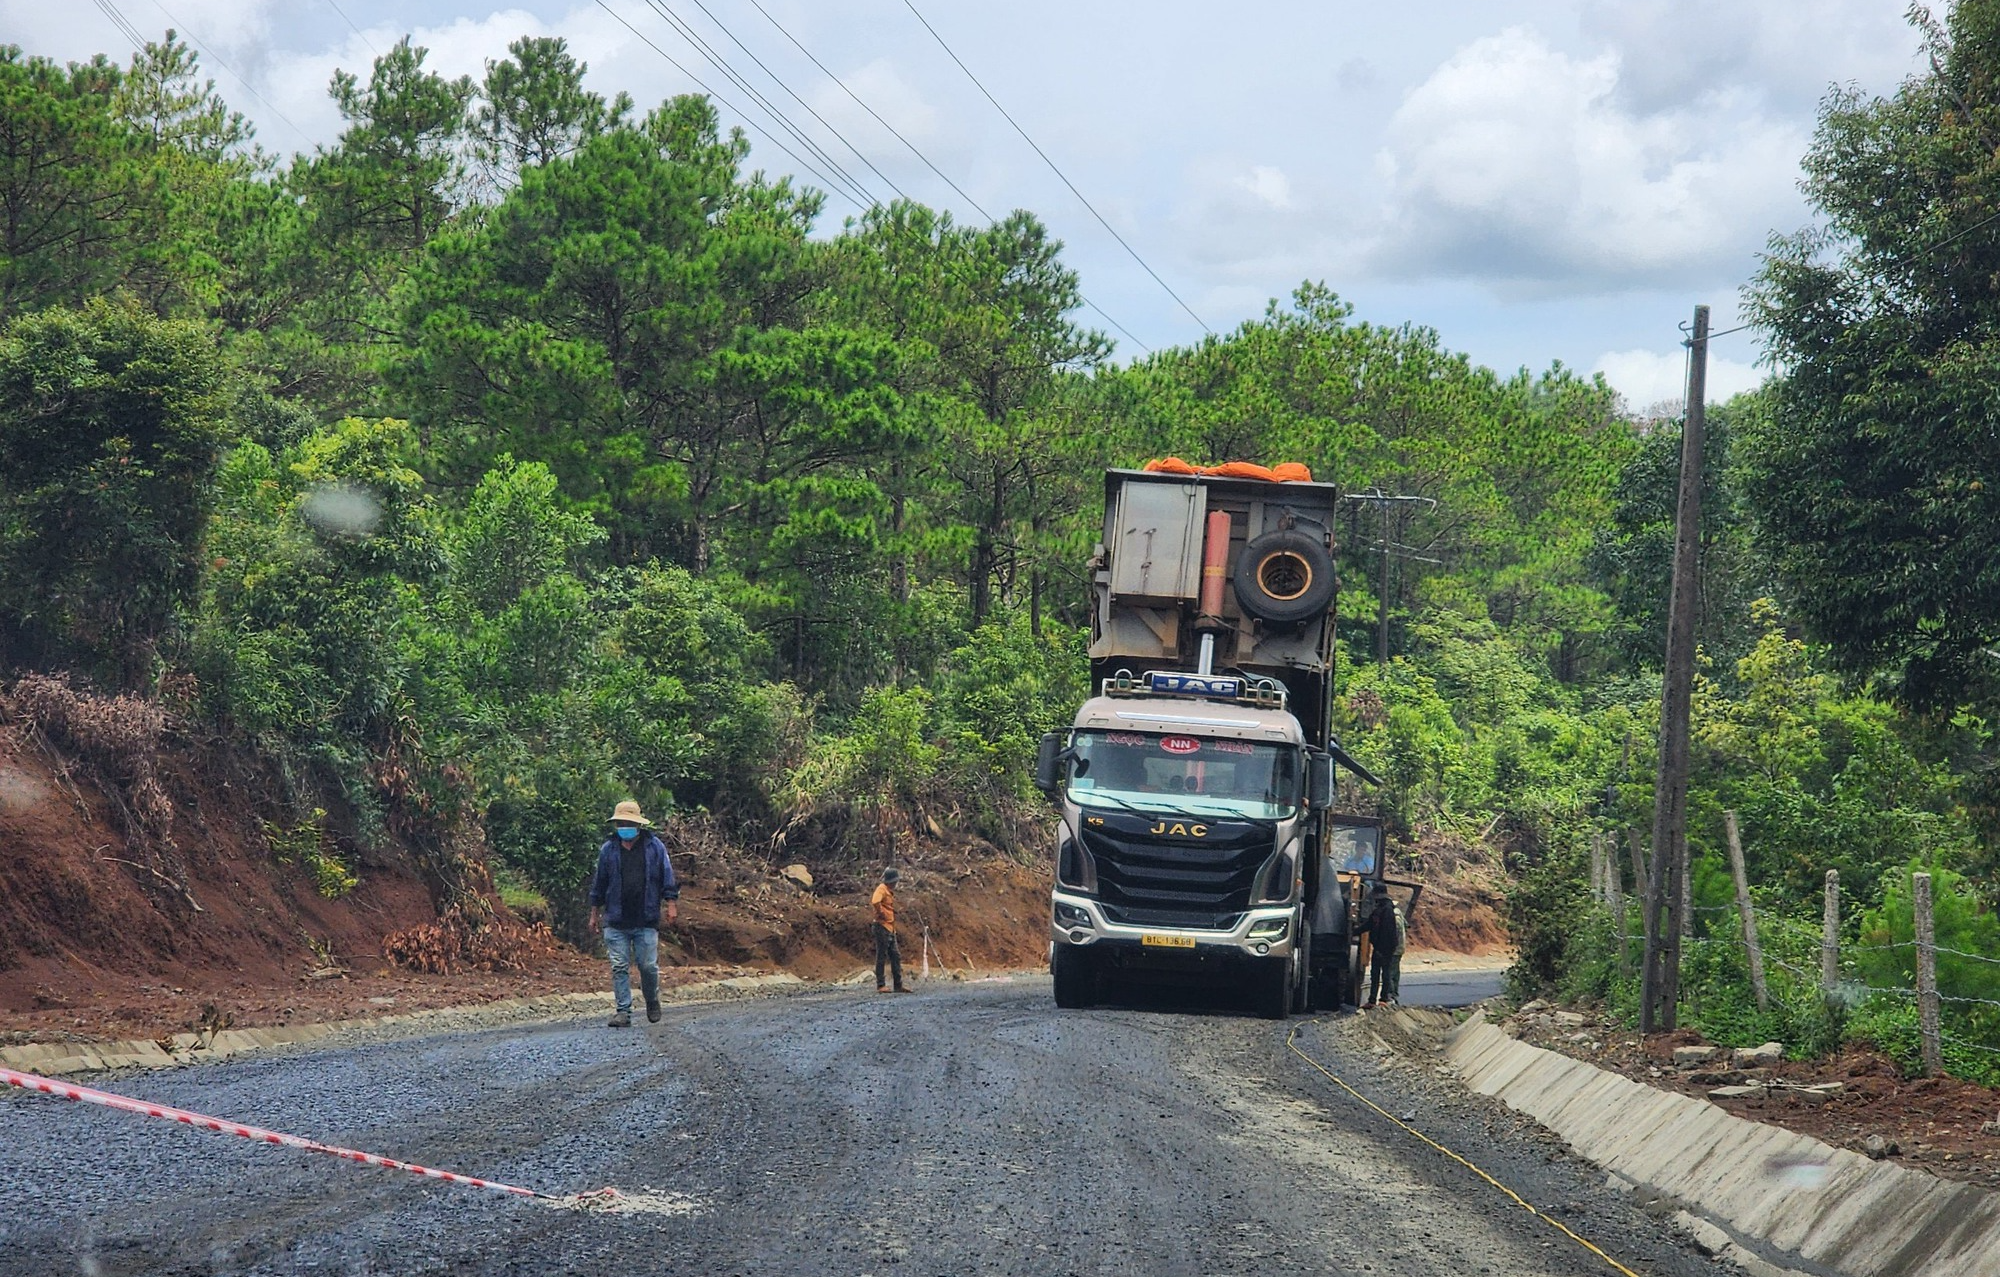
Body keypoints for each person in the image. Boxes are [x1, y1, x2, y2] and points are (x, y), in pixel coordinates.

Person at [588, 799, 679, 1027]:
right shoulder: (608, 850)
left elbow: (666, 876)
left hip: (645, 919)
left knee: (647, 966)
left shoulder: (654, 847)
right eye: (621, 823)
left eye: (628, 822)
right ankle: (623, 1012)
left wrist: (671, 904)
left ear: (638, 825)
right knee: (619, 966)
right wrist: (593, 912)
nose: (624, 827)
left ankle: (652, 1000)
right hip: (615, 919)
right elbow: (599, 883)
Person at [1364, 882, 1405, 1008]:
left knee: (1385, 974)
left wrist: (1383, 949)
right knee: (1376, 974)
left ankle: (1383, 999)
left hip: (1385, 949)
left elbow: (1388, 932)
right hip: (1380, 948)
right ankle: (1372, 1000)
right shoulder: (1381, 909)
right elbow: (1369, 924)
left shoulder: (1387, 911)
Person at [871, 866, 911, 993]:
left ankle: (898, 985)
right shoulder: (881, 889)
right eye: (895, 881)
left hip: (889, 927)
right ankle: (880, 985)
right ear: (891, 881)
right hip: (881, 926)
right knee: (881, 956)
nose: (896, 883)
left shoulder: (888, 890)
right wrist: (881, 913)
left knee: (895, 956)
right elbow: (875, 901)